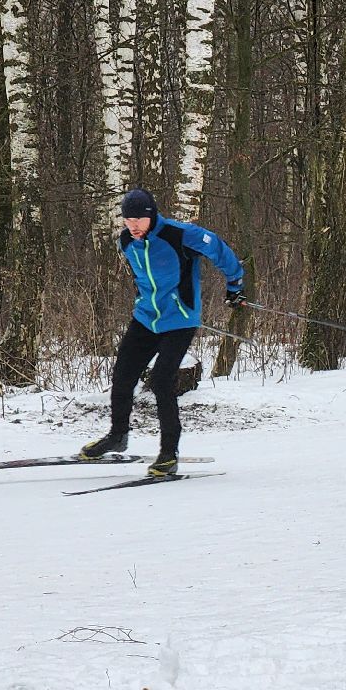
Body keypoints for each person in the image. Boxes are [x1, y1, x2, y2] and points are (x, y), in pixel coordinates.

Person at [80, 188, 246, 476]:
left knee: (161, 381)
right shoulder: (125, 242)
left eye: (137, 220)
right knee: (122, 376)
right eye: (127, 220)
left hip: (179, 320)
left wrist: (235, 285)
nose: (132, 226)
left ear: (151, 216)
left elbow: (217, 248)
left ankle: (169, 454)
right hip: (146, 319)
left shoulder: (179, 235)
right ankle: (118, 436)